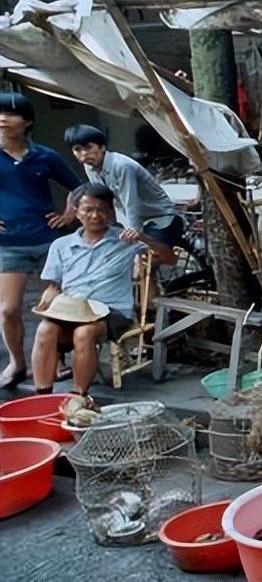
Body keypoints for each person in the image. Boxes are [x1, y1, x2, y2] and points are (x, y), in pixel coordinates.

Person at [31, 184, 176, 397]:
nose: (95, 215)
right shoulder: (61, 245)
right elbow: (53, 286)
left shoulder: (125, 240)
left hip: (112, 311)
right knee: (45, 329)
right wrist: (48, 305)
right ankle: (41, 397)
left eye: (101, 209)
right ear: (76, 212)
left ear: (110, 211)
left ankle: (77, 397)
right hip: (71, 310)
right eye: (87, 209)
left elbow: (170, 258)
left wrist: (143, 238)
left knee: (85, 332)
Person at [0, 92, 82, 390]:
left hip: (48, 243)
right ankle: (17, 362)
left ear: (28, 122)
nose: (2, 119)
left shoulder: (45, 156)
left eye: (9, 114)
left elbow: (78, 186)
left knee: (56, 305)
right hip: (9, 244)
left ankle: (55, 361)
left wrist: (69, 214)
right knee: (8, 309)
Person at [63, 124, 184, 247]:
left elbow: (130, 203)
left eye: (88, 147)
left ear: (102, 147)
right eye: (77, 149)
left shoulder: (121, 166)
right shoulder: (89, 166)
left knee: (145, 257)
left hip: (159, 220)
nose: (83, 153)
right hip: (130, 221)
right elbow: (103, 197)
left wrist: (134, 231)